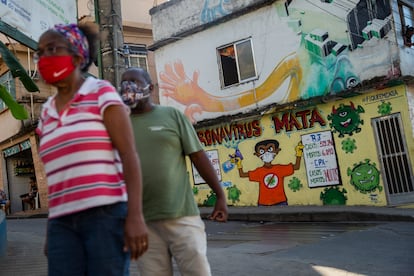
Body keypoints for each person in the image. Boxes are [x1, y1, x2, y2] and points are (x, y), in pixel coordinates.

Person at [35, 23, 148, 275]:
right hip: (61, 224)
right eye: (40, 52)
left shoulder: (101, 93)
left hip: (105, 216)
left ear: (76, 56)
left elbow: (130, 155)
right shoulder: (45, 112)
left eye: (51, 49)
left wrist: (135, 215)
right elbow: (57, 176)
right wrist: (50, 230)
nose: (43, 57)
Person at [120, 67, 228, 276]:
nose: (128, 87)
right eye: (124, 82)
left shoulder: (172, 116)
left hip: (182, 217)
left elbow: (198, 156)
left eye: (134, 81)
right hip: (143, 223)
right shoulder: (120, 125)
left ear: (150, 88)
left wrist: (220, 194)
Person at [233, 139, 304, 206]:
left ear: (277, 151)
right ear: (257, 154)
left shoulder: (280, 169)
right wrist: (239, 164)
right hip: (264, 203)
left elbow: (296, 167)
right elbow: (242, 174)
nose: (266, 153)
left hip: (280, 202)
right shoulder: (259, 171)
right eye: (262, 151)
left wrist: (299, 153)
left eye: (270, 149)